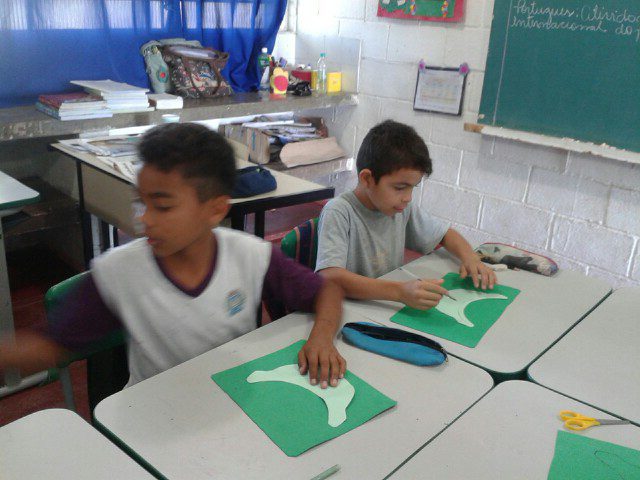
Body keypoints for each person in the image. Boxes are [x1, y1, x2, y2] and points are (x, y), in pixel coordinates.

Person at [0, 123, 346, 390]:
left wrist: (320, 337)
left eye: (163, 207)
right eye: (142, 203)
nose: (145, 219)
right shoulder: (120, 272)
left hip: (231, 399)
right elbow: (49, 346)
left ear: (215, 209)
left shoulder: (250, 256)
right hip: (156, 411)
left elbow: (326, 291)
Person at [316, 120, 496, 310]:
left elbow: (445, 234)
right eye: (400, 187)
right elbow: (329, 277)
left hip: (384, 305)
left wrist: (470, 258)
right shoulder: (339, 212)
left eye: (413, 187)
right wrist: (399, 292)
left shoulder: (399, 209)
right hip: (349, 309)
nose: (408, 198)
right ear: (367, 179)